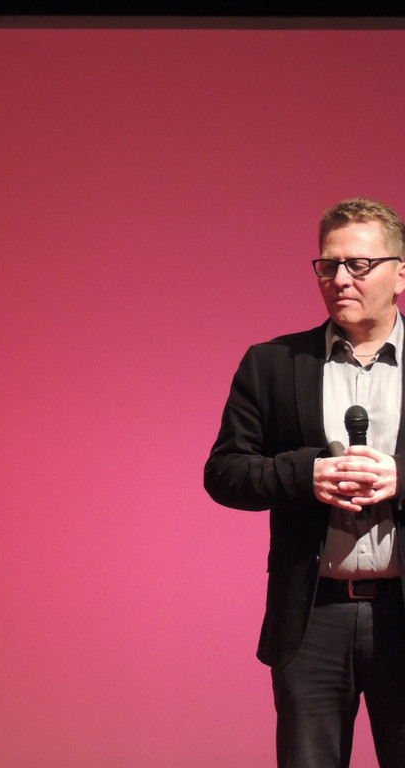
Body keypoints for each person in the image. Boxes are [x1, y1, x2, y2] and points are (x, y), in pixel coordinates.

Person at [205, 198, 405, 767]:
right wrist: (305, 472)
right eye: (328, 265)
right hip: (313, 618)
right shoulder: (271, 363)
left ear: (400, 274)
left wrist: (402, 476)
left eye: (359, 265)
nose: (340, 279)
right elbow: (224, 472)